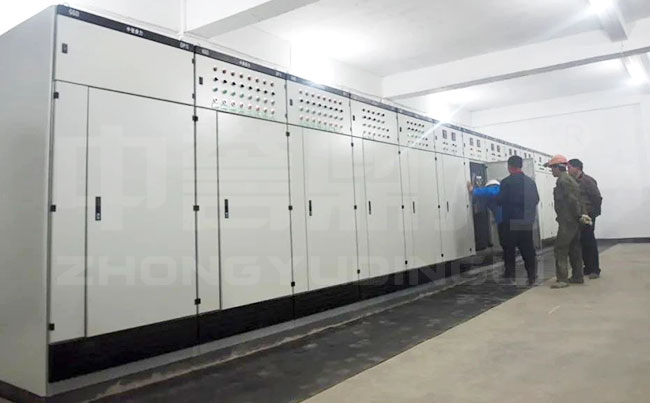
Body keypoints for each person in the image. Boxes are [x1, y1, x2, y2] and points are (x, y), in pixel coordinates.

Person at [545, 155, 591, 289]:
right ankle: (577, 276)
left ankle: (562, 279)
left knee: (560, 248)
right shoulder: (569, 179)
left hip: (568, 221)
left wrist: (577, 215)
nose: (551, 171)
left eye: (552, 168)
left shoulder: (563, 181)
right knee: (574, 248)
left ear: (558, 168)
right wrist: (580, 216)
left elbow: (573, 201)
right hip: (573, 220)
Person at [496, 156, 540, 286]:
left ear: (509, 167)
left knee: (509, 250)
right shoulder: (530, 182)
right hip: (526, 222)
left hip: (510, 221)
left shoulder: (506, 182)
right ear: (521, 166)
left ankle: (511, 277)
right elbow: (536, 199)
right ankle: (532, 276)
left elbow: (500, 200)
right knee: (528, 249)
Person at [568, 159, 603, 279]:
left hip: (588, 215)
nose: (568, 170)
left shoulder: (588, 181)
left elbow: (597, 198)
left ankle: (595, 269)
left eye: (570, 167)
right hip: (578, 216)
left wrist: (593, 213)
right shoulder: (572, 181)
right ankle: (587, 267)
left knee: (589, 241)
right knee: (581, 242)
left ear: (577, 168)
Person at [468, 179, 505, 249]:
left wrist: (473, 190)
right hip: (504, 220)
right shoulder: (494, 196)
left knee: (506, 241)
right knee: (505, 241)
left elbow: (490, 192)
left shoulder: (497, 190)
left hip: (505, 221)